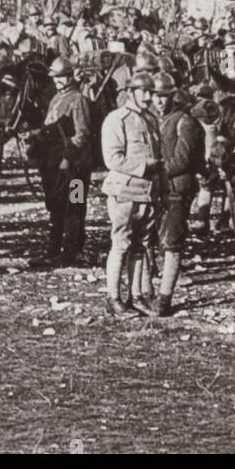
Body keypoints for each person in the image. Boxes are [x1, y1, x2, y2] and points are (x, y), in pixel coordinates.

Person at [100, 69, 163, 317]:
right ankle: (113, 298)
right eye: (143, 92)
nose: (148, 97)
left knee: (141, 246)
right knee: (120, 245)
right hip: (124, 193)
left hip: (147, 194)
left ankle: (136, 296)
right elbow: (112, 159)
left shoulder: (151, 119)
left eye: (150, 92)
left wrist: (162, 190)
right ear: (130, 92)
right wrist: (145, 166)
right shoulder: (117, 119)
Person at [29, 56, 93, 267]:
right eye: (55, 77)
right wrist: (36, 134)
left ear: (70, 77)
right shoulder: (57, 98)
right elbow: (52, 127)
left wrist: (68, 158)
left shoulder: (78, 100)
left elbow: (82, 134)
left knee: (75, 207)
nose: (58, 80)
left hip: (77, 167)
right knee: (56, 207)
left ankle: (72, 252)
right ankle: (54, 250)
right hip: (57, 164)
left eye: (62, 77)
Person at [151, 70, 204, 315]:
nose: (159, 100)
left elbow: (183, 160)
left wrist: (151, 171)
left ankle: (164, 299)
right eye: (155, 95)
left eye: (163, 95)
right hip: (154, 188)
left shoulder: (184, 121)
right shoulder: (151, 118)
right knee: (152, 237)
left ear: (172, 95)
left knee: (171, 241)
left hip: (176, 189)